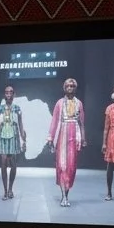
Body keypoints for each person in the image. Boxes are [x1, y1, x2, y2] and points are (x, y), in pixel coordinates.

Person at [46, 78, 86, 207]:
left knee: (71, 167)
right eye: (68, 86)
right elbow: (54, 121)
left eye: (72, 86)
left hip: (75, 136)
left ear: (75, 88)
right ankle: (64, 196)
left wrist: (84, 138)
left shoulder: (79, 103)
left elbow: (81, 123)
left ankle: (66, 194)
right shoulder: (59, 103)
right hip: (61, 135)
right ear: (64, 88)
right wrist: (50, 138)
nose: (70, 88)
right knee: (62, 166)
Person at [0, 85, 27, 200]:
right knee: (3, 162)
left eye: (11, 92)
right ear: (4, 94)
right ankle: (5, 191)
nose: (9, 94)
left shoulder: (17, 108)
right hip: (2, 137)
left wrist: (23, 140)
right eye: (6, 92)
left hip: (14, 137)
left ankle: (10, 188)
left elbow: (21, 124)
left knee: (13, 164)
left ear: (14, 94)